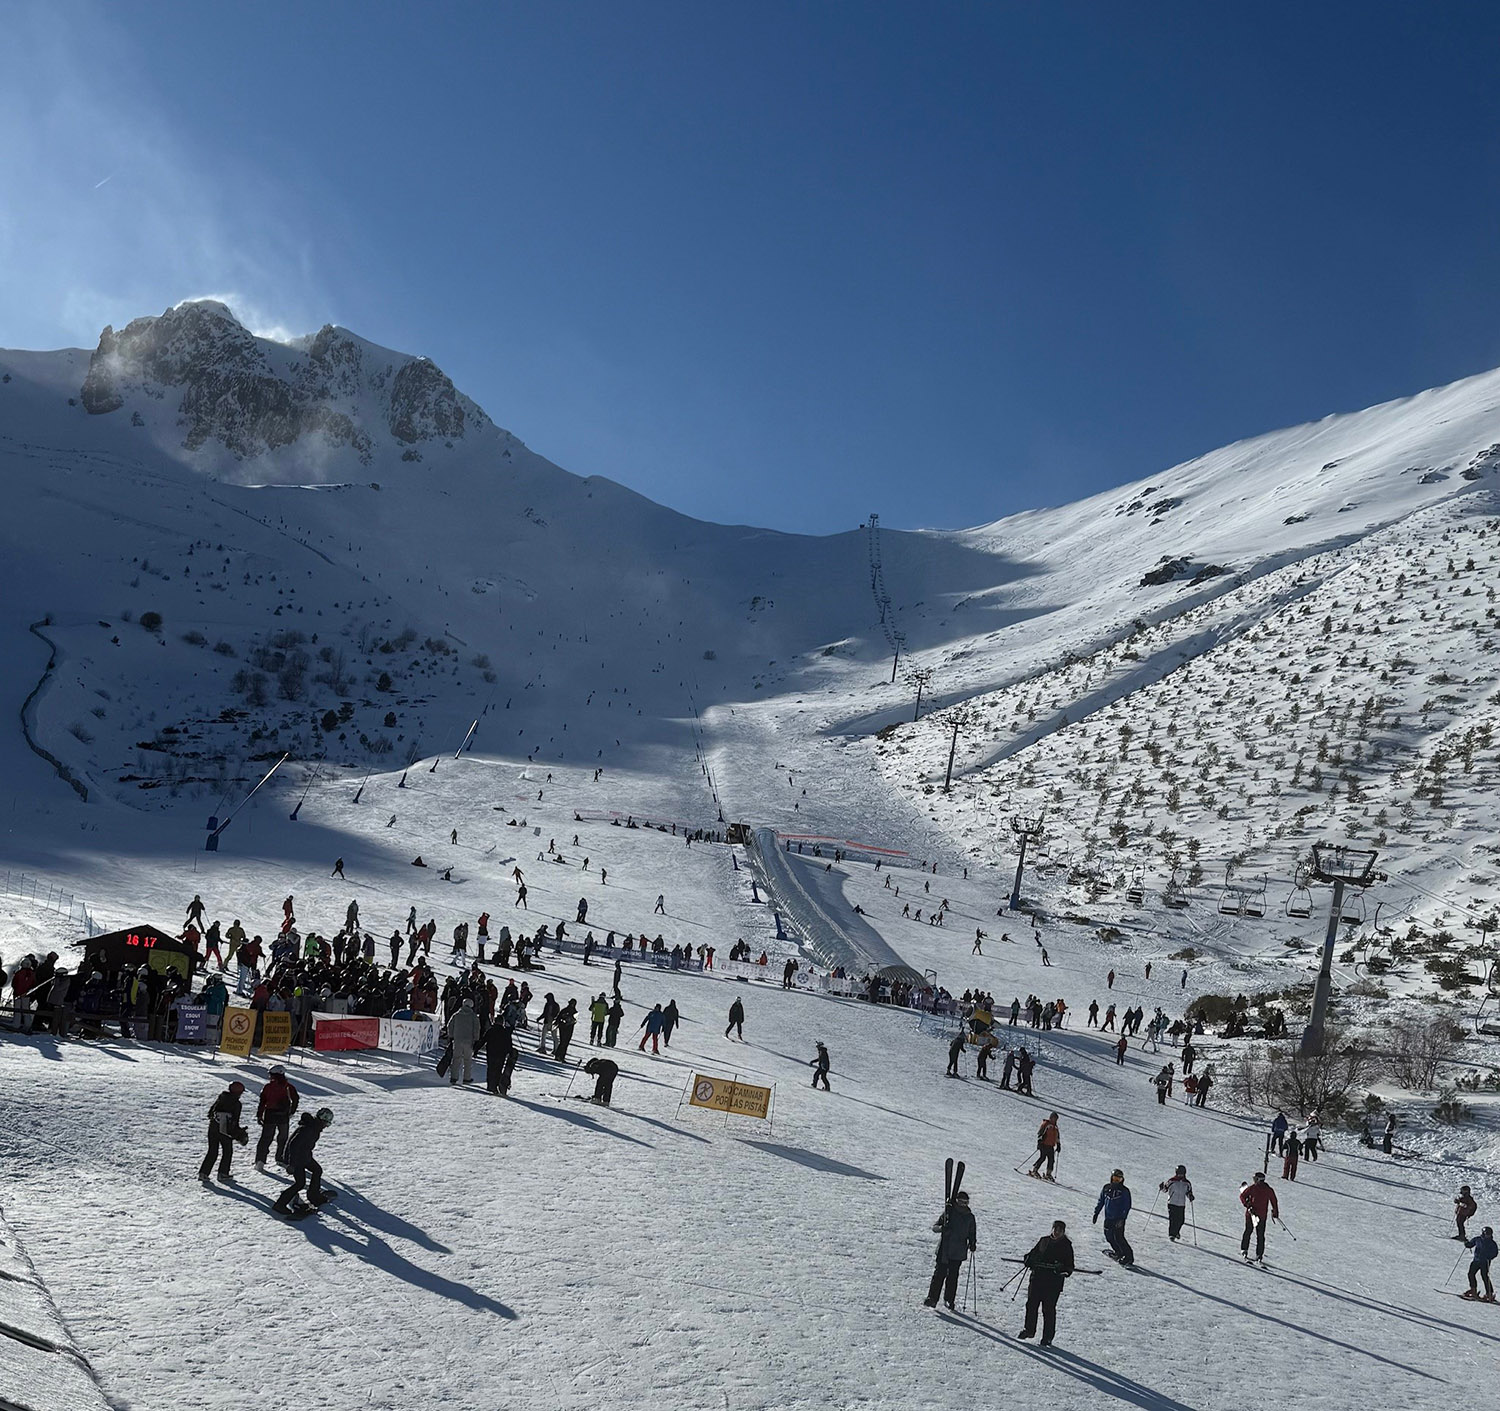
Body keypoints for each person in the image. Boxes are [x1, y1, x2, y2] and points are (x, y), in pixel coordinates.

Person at [1019, 1220, 1074, 1347]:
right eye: (1055, 1229)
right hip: (1037, 1279)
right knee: (1031, 1305)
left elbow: (1069, 1266)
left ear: (1063, 1232)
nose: (1057, 1232)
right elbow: (1032, 1254)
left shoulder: (1066, 1245)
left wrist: (1061, 1269)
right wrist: (1029, 1260)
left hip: (1053, 1284)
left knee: (1048, 1310)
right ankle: (1029, 1330)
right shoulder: (1044, 1241)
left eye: (1060, 1230)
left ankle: (1047, 1337)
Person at [923, 1190, 977, 1309]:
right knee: (939, 1274)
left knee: (953, 1277)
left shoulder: (970, 1217)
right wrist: (943, 1228)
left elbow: (972, 1232)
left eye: (965, 1202)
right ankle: (932, 1298)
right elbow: (935, 1227)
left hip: (958, 1252)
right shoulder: (949, 1212)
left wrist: (972, 1243)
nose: (963, 1204)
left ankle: (949, 1299)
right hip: (945, 1249)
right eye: (960, 1201)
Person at [273, 1108, 334, 1214]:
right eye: (326, 1124)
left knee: (317, 1170)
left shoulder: (314, 1127)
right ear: (322, 1120)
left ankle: (314, 1196)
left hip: (304, 1156)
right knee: (300, 1183)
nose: (325, 1127)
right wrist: (291, 1164)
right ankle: (280, 1204)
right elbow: (293, 1145)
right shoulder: (308, 1129)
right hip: (296, 1159)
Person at [199, 1082, 248, 1181]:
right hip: (225, 1130)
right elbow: (235, 1121)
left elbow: (210, 1113)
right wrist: (238, 1133)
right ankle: (223, 1173)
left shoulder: (221, 1098)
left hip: (213, 1127)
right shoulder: (237, 1104)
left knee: (212, 1151)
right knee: (227, 1151)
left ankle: (203, 1173)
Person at [254, 1065, 300, 1167]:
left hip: (270, 1114)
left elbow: (262, 1102)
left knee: (266, 1138)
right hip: (283, 1115)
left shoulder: (267, 1087)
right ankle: (280, 1157)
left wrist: (259, 1115)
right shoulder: (289, 1087)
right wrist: (292, 1111)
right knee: (283, 1138)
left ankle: (260, 1160)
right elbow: (295, 1099)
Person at [1094, 1169, 1134, 1266]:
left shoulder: (1124, 1191)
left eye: (1118, 1179)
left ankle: (1128, 1256)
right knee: (1109, 1236)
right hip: (1108, 1217)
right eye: (1115, 1178)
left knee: (1119, 1237)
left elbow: (1127, 1205)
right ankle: (1119, 1252)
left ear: (1122, 1179)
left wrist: (1122, 1218)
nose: (1116, 1181)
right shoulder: (1106, 1188)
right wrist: (1096, 1213)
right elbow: (1101, 1201)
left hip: (1118, 1218)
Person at [1240, 1172, 1279, 1263]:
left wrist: (1275, 1211)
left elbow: (1274, 1201)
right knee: (1250, 1232)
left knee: (1259, 1235)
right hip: (1252, 1214)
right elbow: (1242, 1196)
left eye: (1255, 1179)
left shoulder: (1266, 1189)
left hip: (1260, 1216)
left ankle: (1258, 1253)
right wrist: (1247, 1204)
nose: (1254, 1181)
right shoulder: (1253, 1188)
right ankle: (1245, 1249)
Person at [446, 997, 481, 1085]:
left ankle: (453, 1077)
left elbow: (449, 1025)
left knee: (456, 1059)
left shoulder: (456, 1014)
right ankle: (466, 1078)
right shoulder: (473, 1016)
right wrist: (476, 1039)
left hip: (457, 1040)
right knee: (467, 1060)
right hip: (469, 1041)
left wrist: (451, 1036)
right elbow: (477, 1028)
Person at [1160, 1166, 1194, 1241]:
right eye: (1179, 1174)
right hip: (1172, 1203)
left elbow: (1188, 1192)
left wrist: (1190, 1196)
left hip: (1181, 1204)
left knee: (1181, 1220)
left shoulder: (1187, 1183)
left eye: (1182, 1174)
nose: (1180, 1176)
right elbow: (1165, 1189)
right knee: (1173, 1219)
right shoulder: (1172, 1181)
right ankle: (1172, 1234)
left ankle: (1176, 1232)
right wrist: (1162, 1187)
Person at [1462, 1226, 1497, 1301]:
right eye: (1487, 1234)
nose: (1488, 1236)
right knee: (1471, 1274)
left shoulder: (1492, 1243)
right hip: (1476, 1260)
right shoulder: (1478, 1239)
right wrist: (1467, 1244)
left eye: (1489, 1234)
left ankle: (1489, 1293)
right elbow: (1471, 1244)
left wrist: (1490, 1256)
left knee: (1484, 1276)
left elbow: (1495, 1253)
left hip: (1485, 1262)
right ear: (1483, 1233)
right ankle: (1473, 1289)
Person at [1031, 1113, 1061, 1180]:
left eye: (1056, 1119)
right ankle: (1035, 1170)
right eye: (1053, 1118)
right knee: (1042, 1158)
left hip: (1051, 1146)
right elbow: (1040, 1133)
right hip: (1044, 1144)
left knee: (1051, 1160)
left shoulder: (1055, 1127)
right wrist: (1039, 1141)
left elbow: (1057, 1137)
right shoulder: (1046, 1124)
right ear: (1050, 1117)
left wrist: (1058, 1145)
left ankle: (1048, 1173)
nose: (1055, 1120)